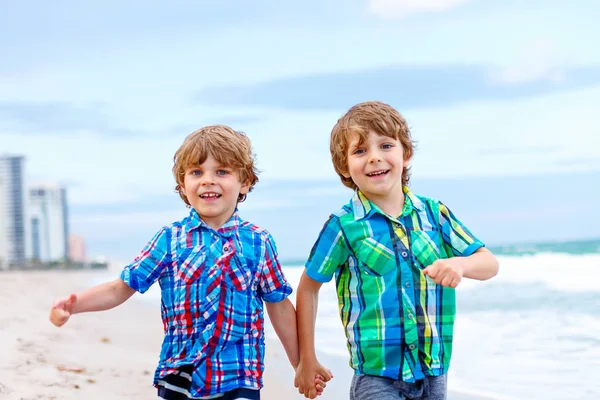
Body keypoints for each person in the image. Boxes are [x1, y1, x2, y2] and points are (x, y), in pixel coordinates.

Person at [50, 125, 328, 399]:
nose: (208, 180)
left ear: (244, 181)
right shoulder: (169, 239)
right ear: (183, 185)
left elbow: (278, 306)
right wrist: (76, 304)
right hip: (180, 373)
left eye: (221, 171)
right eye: (197, 172)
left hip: (239, 373)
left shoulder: (259, 242)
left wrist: (300, 364)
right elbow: (121, 287)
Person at [294, 101, 499, 400]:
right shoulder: (343, 226)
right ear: (344, 166)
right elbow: (308, 288)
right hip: (377, 377)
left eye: (386, 146)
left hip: (434, 372)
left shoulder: (433, 213)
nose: (375, 158)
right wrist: (306, 359)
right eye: (360, 151)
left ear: (406, 153)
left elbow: (489, 263)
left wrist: (460, 265)